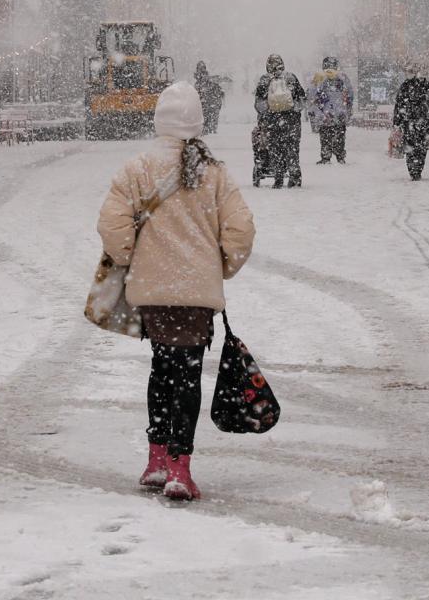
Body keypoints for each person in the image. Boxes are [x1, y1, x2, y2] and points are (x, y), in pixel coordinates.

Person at [97, 82, 255, 501]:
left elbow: (112, 225)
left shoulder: (137, 168)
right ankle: (180, 468)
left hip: (153, 294)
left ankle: (156, 460)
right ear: (198, 123)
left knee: (161, 368)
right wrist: (220, 267)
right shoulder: (214, 173)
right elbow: (241, 230)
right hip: (196, 295)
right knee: (188, 375)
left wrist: (131, 257)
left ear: (159, 121)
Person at [253, 54, 306, 188]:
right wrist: (294, 110)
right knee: (292, 148)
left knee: (276, 149)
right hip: (291, 120)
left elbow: (259, 104)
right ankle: (294, 176)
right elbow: (301, 98)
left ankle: (278, 178)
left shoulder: (264, 80)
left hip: (272, 121)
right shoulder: (291, 77)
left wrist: (267, 114)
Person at [307, 56, 354, 164]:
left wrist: (314, 110)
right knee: (340, 135)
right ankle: (340, 156)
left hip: (324, 113)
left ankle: (326, 157)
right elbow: (350, 94)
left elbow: (312, 93)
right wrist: (348, 107)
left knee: (325, 135)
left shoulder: (319, 76)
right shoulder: (343, 77)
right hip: (340, 112)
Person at [393, 66, 429, 181]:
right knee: (417, 147)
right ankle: (415, 170)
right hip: (416, 121)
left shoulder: (417, 84)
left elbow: (399, 104)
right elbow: (399, 104)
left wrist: (397, 120)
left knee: (415, 147)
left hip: (414, 121)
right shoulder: (410, 85)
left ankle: (415, 170)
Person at [194, 61, 225, 134]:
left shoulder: (207, 81)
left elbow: (217, 93)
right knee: (208, 125)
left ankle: (209, 131)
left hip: (210, 105)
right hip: (207, 106)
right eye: (199, 68)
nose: (201, 70)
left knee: (210, 126)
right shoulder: (200, 82)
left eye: (202, 68)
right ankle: (208, 131)